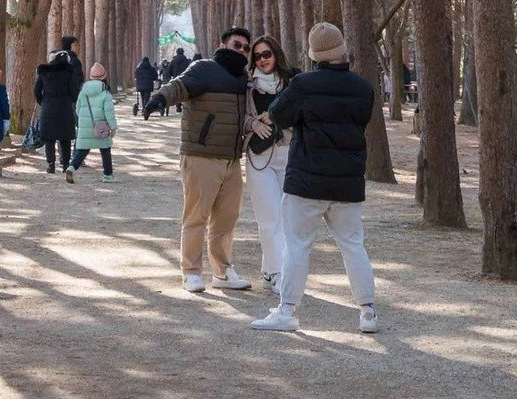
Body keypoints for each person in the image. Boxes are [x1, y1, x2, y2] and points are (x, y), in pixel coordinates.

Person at [251, 22, 379, 334]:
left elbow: (279, 115)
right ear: (342, 49)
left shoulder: (303, 85)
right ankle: (368, 312)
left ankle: (287, 311)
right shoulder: (363, 88)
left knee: (297, 246)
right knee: (353, 246)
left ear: (314, 53)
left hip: (305, 181)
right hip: (347, 181)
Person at [149, 26, 253, 293]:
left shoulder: (244, 78)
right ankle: (191, 271)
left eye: (245, 47)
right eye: (236, 45)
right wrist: (159, 99)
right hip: (201, 156)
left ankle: (222, 271)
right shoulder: (204, 69)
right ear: (223, 44)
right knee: (196, 216)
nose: (241, 50)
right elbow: (178, 87)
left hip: (232, 159)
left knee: (227, 218)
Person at [244, 35, 296, 294]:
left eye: (267, 54)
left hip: (289, 155)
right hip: (259, 157)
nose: (262, 59)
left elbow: (304, 115)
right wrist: (253, 124)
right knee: (268, 217)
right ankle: (278, 273)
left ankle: (269, 269)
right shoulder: (247, 86)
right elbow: (239, 118)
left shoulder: (293, 82)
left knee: (286, 217)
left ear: (276, 54)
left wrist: (279, 121)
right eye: (257, 56)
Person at [35, 44, 81, 177]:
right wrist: (71, 100)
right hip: (64, 108)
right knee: (64, 137)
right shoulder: (69, 73)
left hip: (48, 107)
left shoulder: (44, 72)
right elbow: (74, 91)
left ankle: (50, 165)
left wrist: (42, 101)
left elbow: (37, 90)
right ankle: (66, 164)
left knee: (49, 138)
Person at [73, 63, 118, 179]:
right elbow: (109, 113)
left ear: (90, 76)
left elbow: (78, 109)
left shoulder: (83, 92)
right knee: (105, 150)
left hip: (85, 126)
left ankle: (71, 167)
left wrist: (83, 121)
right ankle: (108, 175)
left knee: (82, 150)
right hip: (101, 127)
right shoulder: (105, 93)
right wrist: (113, 127)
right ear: (104, 77)